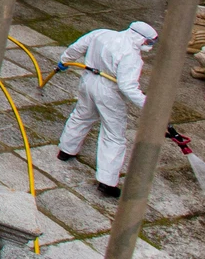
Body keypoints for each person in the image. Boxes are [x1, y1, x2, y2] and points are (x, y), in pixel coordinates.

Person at [55, 20, 158, 197]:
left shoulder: (102, 34)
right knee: (113, 134)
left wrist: (64, 60)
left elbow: (77, 47)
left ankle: (66, 150)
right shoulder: (131, 56)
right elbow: (128, 87)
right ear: (140, 38)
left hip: (88, 82)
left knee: (81, 116)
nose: (148, 46)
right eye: (148, 42)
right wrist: (151, 106)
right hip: (110, 92)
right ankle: (107, 182)